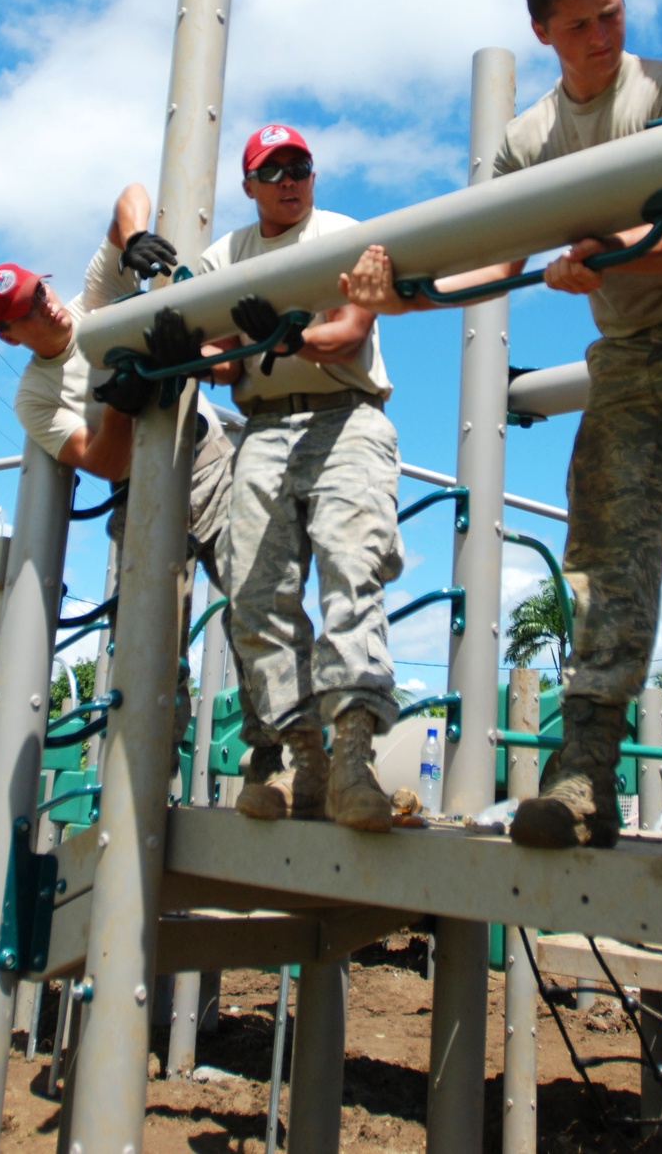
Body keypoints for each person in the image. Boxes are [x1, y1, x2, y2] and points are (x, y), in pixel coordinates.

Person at [342, 0, 662, 864]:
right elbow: (497, 256)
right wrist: (401, 294)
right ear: (543, 33)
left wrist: (605, 253)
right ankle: (584, 778)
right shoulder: (532, 139)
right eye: (581, 25)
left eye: (611, 12)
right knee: (604, 556)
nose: (604, 35)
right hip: (629, 353)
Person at [196, 124, 403, 833]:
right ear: (249, 184)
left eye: (301, 166)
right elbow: (221, 359)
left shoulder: (345, 234)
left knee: (351, 569)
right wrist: (193, 351)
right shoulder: (225, 256)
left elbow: (348, 332)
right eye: (273, 169)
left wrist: (284, 338)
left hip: (346, 415)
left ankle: (353, 758)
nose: (290, 179)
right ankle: (298, 756)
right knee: (252, 589)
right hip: (263, 426)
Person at [0, 182, 233, 594]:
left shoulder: (97, 299)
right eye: (28, 309)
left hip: (206, 464)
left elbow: (131, 196)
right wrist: (120, 408)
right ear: (9, 337)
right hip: (140, 490)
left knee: (259, 604)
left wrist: (132, 239)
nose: (46, 305)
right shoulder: (35, 397)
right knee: (148, 638)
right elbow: (105, 463)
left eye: (40, 290)